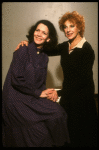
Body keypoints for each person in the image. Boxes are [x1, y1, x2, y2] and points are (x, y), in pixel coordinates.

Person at [15, 11, 98, 147]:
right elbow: (46, 49)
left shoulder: (86, 49)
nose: (68, 30)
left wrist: (57, 92)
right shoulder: (66, 46)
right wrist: (29, 43)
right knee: (67, 133)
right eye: (65, 27)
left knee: (82, 136)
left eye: (71, 26)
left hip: (82, 98)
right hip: (68, 97)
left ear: (79, 28)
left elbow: (81, 81)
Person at [2, 20, 70, 147]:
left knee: (59, 113)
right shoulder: (23, 49)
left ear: (48, 39)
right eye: (37, 30)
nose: (39, 34)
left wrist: (49, 93)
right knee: (40, 134)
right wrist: (38, 93)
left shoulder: (44, 57)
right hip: (15, 99)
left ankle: (61, 144)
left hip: (31, 96)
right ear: (33, 32)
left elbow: (40, 83)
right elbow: (16, 80)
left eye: (44, 33)